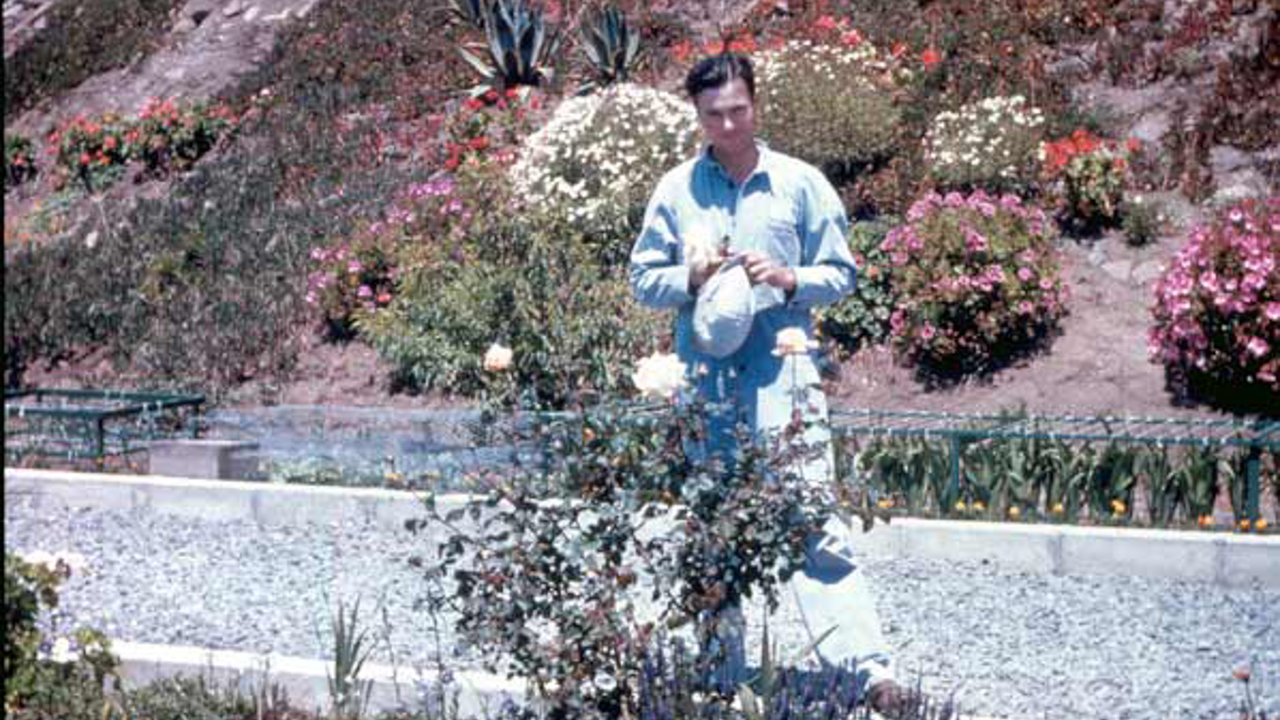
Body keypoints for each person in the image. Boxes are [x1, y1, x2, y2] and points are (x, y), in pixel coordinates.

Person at [628, 53, 915, 714]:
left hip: (785, 381)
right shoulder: (676, 190)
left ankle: (868, 673)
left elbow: (840, 272)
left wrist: (787, 279)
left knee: (816, 521)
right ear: (696, 115)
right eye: (713, 114)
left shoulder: (800, 184)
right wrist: (694, 279)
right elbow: (644, 279)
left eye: (738, 110)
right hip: (707, 386)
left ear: (756, 105)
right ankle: (715, 670)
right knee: (713, 522)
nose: (728, 125)